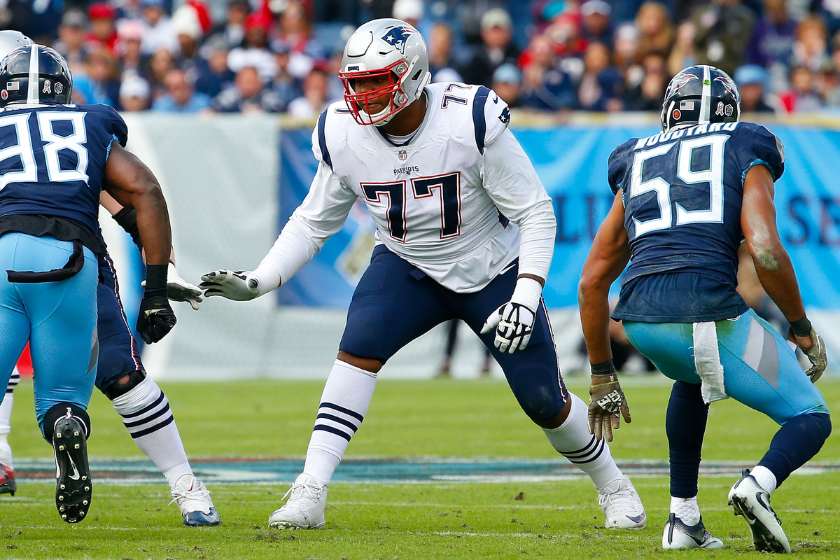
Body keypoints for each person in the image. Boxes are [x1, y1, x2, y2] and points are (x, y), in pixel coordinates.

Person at [201, 18, 645, 532]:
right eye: (355, 82)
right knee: (358, 346)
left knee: (544, 399)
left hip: (489, 266)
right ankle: (311, 488)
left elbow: (536, 211)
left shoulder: (468, 118)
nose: (361, 96)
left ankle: (613, 484)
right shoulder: (342, 131)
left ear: (411, 76)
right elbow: (312, 221)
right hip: (406, 263)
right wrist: (263, 279)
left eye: (374, 81)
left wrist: (527, 292)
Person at [579, 64, 831, 553]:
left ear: (669, 112)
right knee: (810, 416)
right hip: (707, 312)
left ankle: (683, 518)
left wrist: (602, 373)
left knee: (691, 380)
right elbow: (765, 250)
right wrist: (800, 327)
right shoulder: (745, 144)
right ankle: (756, 484)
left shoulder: (634, 157)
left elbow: (591, 283)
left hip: (640, 322)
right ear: (731, 113)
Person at [0, 33, 220, 527]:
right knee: (118, 378)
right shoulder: (88, 121)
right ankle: (189, 491)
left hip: (3, 256)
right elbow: (136, 196)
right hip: (75, 260)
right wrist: (159, 283)